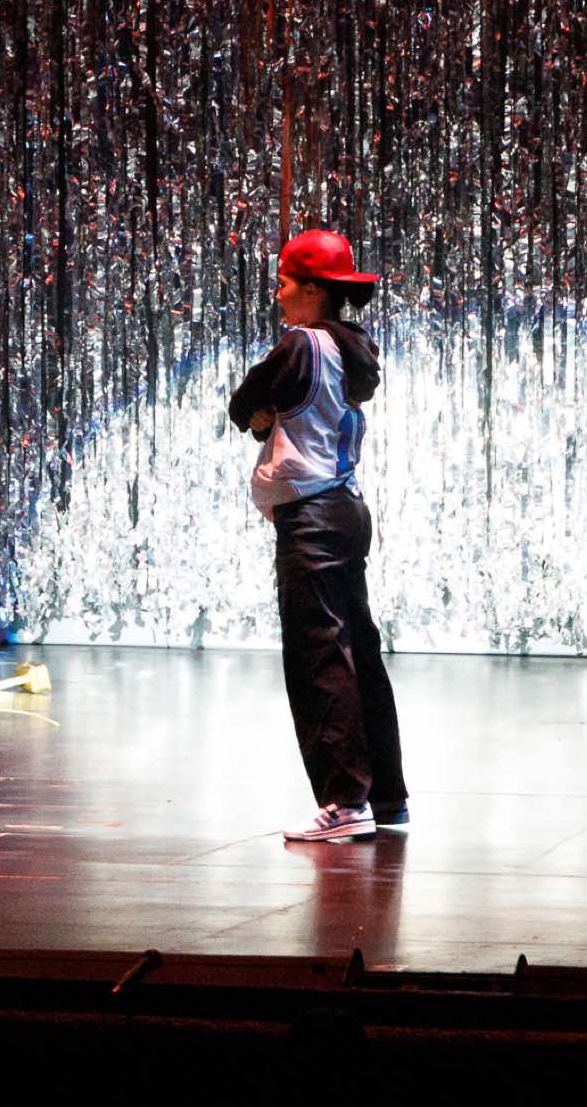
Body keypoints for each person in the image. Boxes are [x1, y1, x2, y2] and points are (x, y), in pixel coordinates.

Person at [228, 229, 408, 843]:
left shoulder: (301, 344)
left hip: (312, 518)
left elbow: (245, 402)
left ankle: (344, 800)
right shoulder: (351, 347)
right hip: (344, 511)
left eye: (284, 284)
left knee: (320, 659)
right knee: (357, 652)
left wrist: (258, 415)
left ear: (311, 289)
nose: (278, 296)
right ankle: (385, 795)